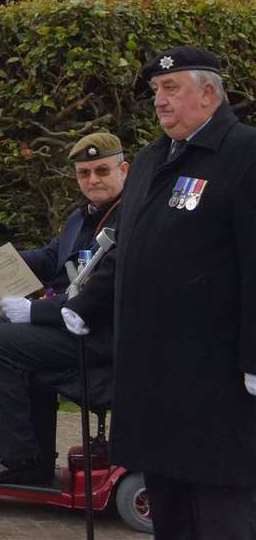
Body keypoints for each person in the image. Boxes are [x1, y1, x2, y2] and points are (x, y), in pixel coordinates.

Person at [64, 47, 256, 538]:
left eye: (172, 89)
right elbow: (130, 248)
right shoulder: (150, 159)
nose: (160, 102)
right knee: (168, 508)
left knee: (221, 510)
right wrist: (87, 303)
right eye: (156, 91)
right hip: (154, 375)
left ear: (209, 93)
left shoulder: (245, 156)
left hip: (215, 379)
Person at [0, 132, 127, 485]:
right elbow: (51, 257)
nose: (93, 180)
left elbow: (104, 289)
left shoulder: (128, 220)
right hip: (74, 327)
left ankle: (18, 459)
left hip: (102, 335)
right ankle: (30, 456)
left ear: (123, 170)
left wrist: (34, 313)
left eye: (102, 170)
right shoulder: (83, 217)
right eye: (84, 173)